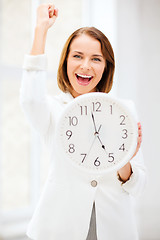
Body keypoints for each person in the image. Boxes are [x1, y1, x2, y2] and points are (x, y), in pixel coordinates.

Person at [20, 3, 146, 240]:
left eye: (96, 59)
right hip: (60, 227)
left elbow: (138, 186)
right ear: (66, 62)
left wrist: (124, 163)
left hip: (115, 228)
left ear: (106, 66)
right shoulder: (52, 109)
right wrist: (40, 30)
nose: (86, 66)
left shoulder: (125, 111)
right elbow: (29, 99)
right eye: (77, 56)